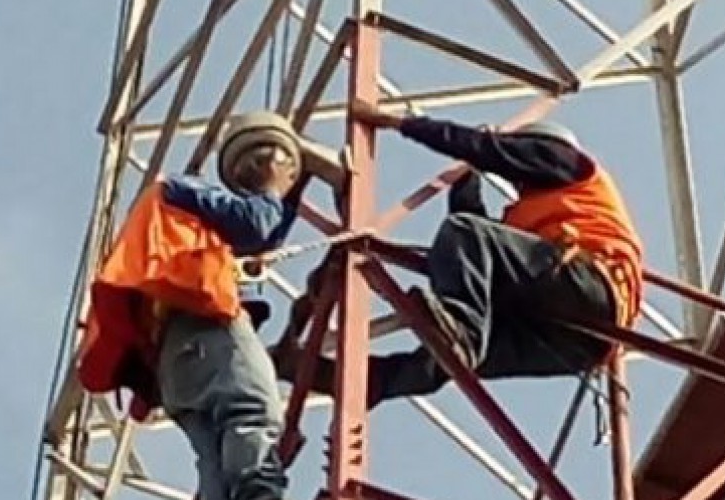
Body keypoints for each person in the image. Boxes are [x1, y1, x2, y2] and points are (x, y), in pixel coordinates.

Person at [76, 113, 328, 500]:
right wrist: (274, 182)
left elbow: (264, 230)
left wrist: (290, 189)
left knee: (213, 446)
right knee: (250, 409)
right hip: (204, 327)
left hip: (173, 362)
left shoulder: (169, 223)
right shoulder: (178, 191)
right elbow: (257, 225)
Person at [275, 102, 643, 408]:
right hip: (585, 343)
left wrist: (402, 124)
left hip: (592, 288)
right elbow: (475, 247)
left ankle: (460, 331)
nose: (516, 178)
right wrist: (469, 179)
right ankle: (355, 381)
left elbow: (484, 173)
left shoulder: (572, 166)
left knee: (465, 254)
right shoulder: (532, 214)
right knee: (456, 359)